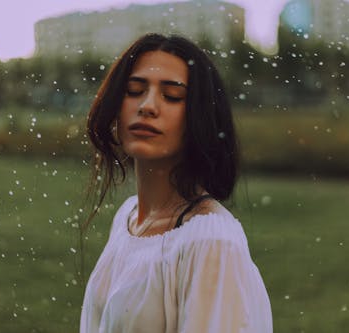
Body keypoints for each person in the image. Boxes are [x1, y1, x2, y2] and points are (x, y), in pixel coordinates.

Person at [80, 33, 272, 333]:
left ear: (200, 116)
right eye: (134, 90)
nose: (147, 106)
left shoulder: (210, 241)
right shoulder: (128, 218)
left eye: (172, 96)